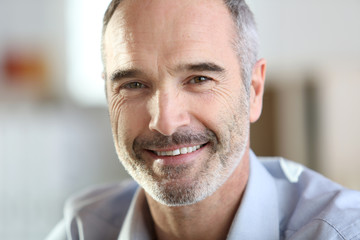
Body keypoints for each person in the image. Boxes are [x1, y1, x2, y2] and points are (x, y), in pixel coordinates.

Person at [47, 0, 360, 239]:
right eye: (133, 85)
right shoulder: (84, 228)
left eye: (198, 79)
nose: (166, 122)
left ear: (254, 90)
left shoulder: (341, 231)